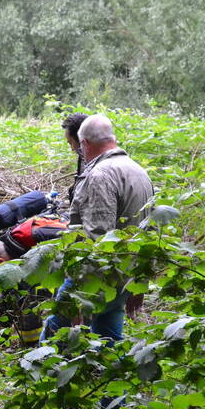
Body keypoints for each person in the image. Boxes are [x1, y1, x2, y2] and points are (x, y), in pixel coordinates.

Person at [43, 114, 153, 343]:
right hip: (126, 275)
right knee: (108, 339)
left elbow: (98, 236)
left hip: (97, 277)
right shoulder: (138, 171)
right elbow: (148, 231)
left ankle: (39, 366)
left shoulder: (100, 175)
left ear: (84, 144)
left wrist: (80, 290)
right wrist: (140, 282)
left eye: (76, 146)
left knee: (54, 335)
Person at [0, 215, 68, 346]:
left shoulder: (35, 240)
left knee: (33, 296)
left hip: (76, 255)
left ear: (0, 262)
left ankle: (35, 345)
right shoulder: (13, 248)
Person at [61, 112, 89, 203]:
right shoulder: (84, 157)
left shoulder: (98, 172)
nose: (72, 149)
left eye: (71, 143)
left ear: (82, 141)